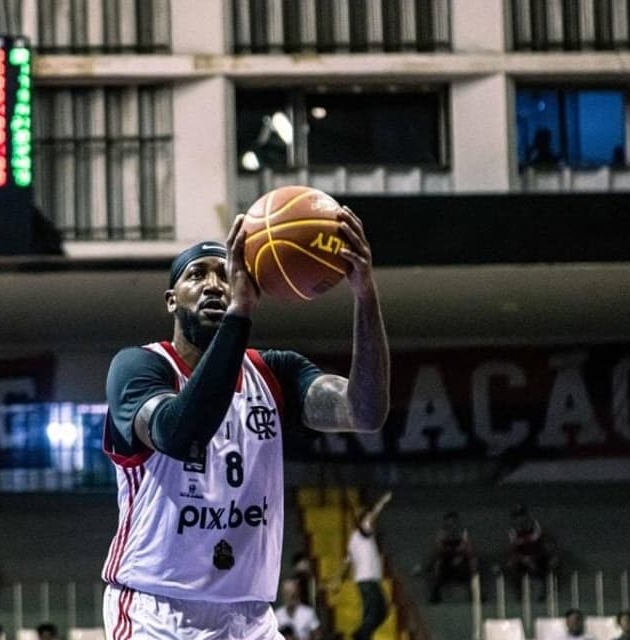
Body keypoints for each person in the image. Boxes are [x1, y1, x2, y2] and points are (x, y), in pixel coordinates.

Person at [100, 210, 390, 638]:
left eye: (226, 273)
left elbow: (364, 413)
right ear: (171, 299)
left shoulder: (276, 373)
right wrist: (240, 311)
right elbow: (182, 433)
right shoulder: (139, 368)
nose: (215, 284)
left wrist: (365, 295)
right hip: (155, 612)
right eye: (197, 275)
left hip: (249, 617)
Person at [335, 491, 391, 640]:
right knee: (376, 612)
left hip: (366, 581)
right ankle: (360, 635)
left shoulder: (353, 539)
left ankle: (363, 635)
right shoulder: (362, 532)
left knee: (379, 612)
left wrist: (337, 580)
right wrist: (381, 503)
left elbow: (346, 563)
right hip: (368, 581)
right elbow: (371, 519)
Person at [504, 504, 559, 601]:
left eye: (522, 515)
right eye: (517, 517)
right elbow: (512, 550)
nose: (520, 519)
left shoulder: (537, 527)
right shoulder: (512, 532)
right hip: (523, 559)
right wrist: (524, 559)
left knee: (552, 563)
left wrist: (552, 556)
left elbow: (549, 543)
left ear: (527, 516)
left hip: (539, 557)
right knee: (511, 566)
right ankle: (520, 594)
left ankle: (548, 591)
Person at [428, 511, 478, 603]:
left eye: (453, 522)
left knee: (473, 562)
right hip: (446, 560)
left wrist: (460, 555)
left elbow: (468, 548)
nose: (451, 524)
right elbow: (439, 548)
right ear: (446, 522)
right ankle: (435, 594)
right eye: (449, 522)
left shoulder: (463, 533)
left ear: (457, 522)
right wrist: (449, 552)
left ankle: (475, 593)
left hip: (461, 561)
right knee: (437, 563)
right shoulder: (441, 533)